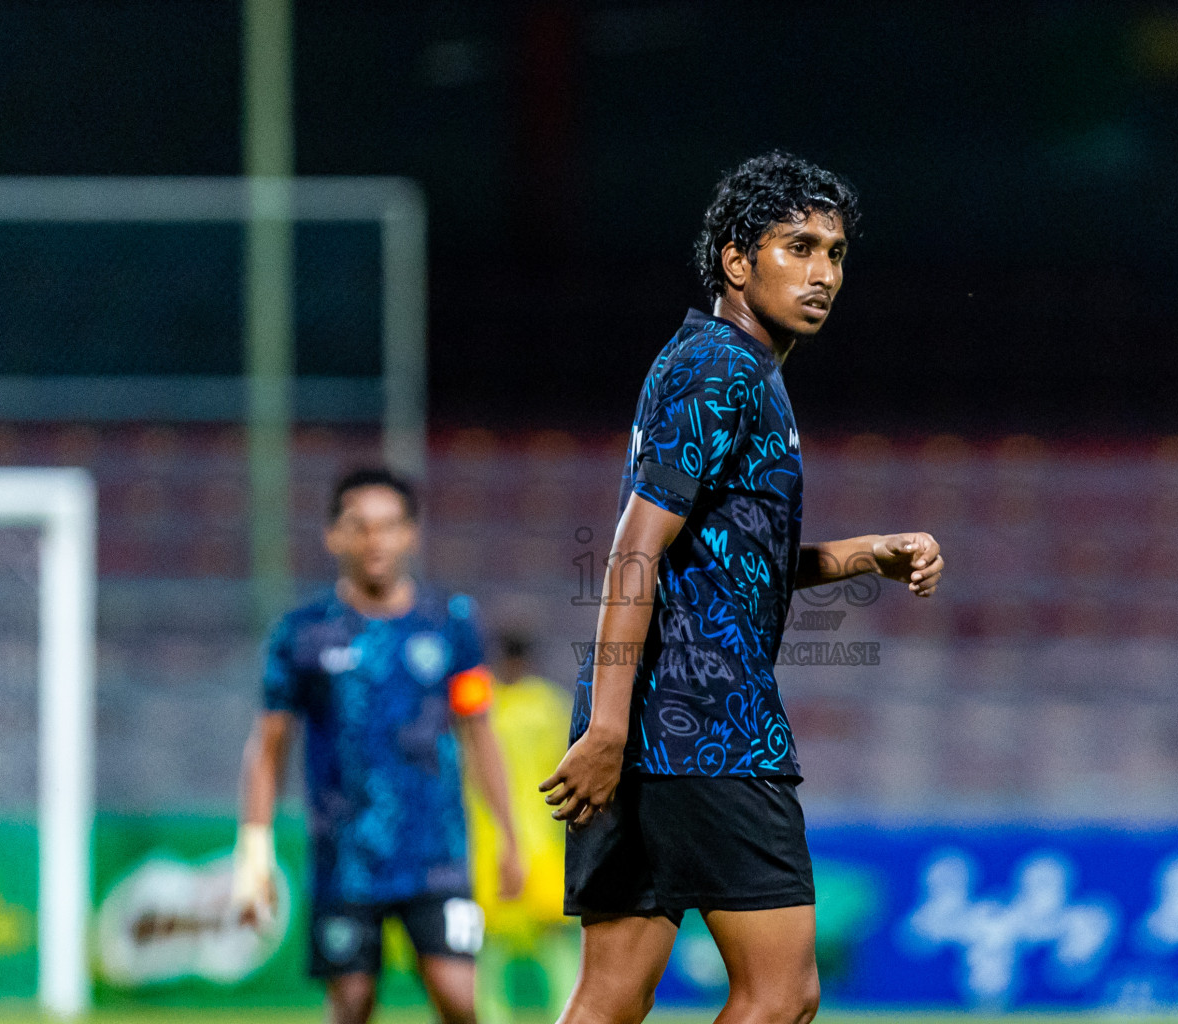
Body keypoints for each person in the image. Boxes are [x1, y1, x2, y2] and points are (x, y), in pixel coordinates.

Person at [540, 152, 945, 1024]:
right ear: (736, 260)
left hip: (651, 719)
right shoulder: (721, 369)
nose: (823, 273)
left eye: (835, 253)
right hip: (706, 725)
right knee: (784, 993)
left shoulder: (721, 366)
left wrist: (864, 554)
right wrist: (608, 729)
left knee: (611, 996)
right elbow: (633, 552)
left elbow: (725, 560)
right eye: (798, 247)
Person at [232, 467, 525, 1024]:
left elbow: (479, 732)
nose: (375, 540)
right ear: (333, 535)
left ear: (411, 534)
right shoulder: (303, 634)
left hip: (438, 855)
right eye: (360, 526)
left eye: (389, 526)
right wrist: (253, 856)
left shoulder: (451, 623)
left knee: (461, 998)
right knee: (351, 1005)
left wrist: (509, 838)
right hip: (347, 859)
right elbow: (267, 748)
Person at [469, 632, 581, 1024]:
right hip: (541, 845)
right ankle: (567, 1016)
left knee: (489, 953)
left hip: (489, 846)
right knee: (554, 946)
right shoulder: (550, 706)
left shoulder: (484, 706)